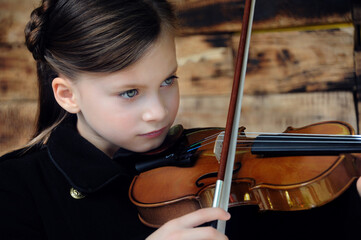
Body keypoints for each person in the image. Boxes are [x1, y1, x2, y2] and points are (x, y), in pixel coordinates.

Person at [0, 0, 360, 239]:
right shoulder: (15, 187)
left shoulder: (214, 173)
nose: (158, 111)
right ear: (68, 95)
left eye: (168, 80)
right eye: (129, 92)